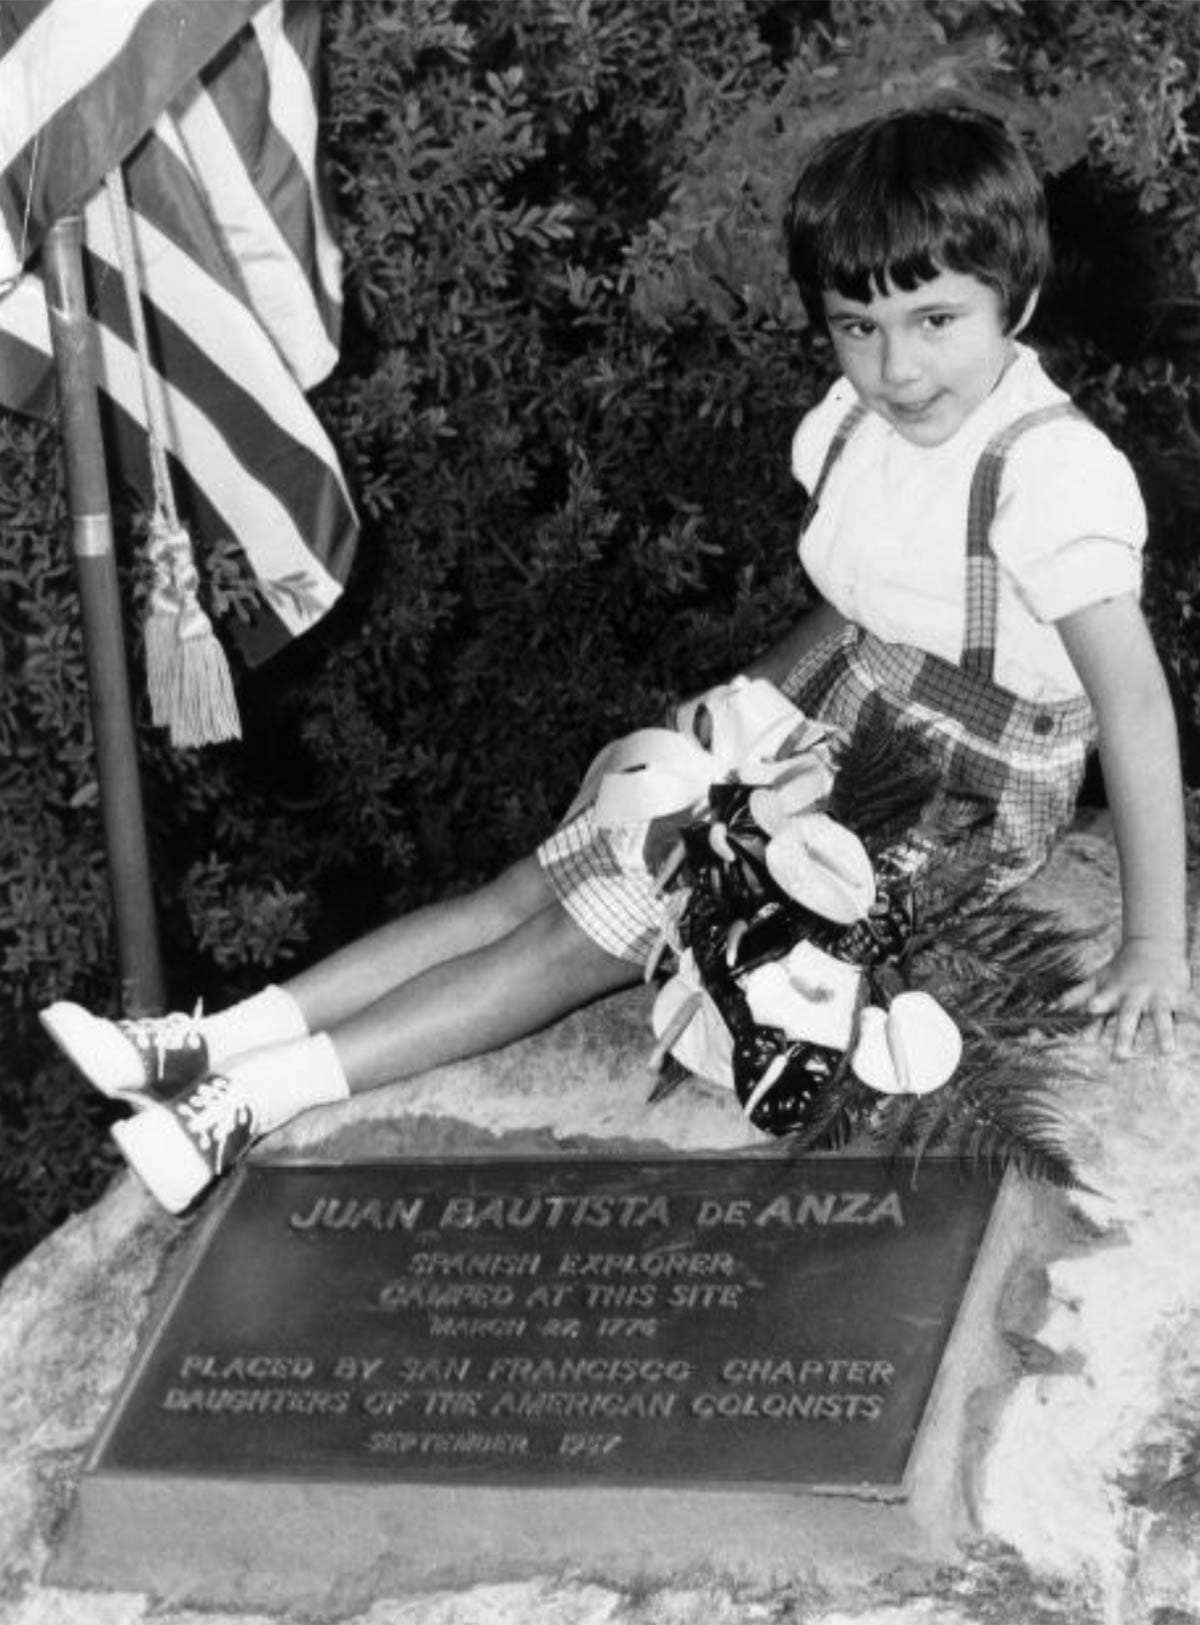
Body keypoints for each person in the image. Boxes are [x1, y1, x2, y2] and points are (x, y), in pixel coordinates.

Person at [41, 103, 1190, 1215]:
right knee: (535, 877)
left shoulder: (1047, 476)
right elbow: (857, 608)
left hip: (955, 783)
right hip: (838, 709)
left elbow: (1132, 703)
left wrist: (1151, 941)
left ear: (1018, 300)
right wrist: (743, 706)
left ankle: (247, 1102)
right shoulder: (856, 419)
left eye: (936, 320)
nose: (895, 367)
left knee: (590, 928)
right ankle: (209, 1040)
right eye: (858, 325)